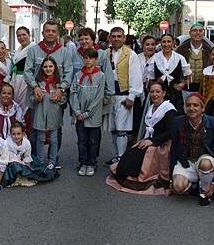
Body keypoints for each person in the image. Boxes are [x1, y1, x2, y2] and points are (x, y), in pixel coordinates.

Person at [108, 82, 176, 194]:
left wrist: (152, 141)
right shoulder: (151, 107)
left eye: (158, 92)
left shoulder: (169, 109)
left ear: (164, 93)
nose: (154, 94)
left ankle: (140, 178)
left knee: (144, 154)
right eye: (152, 92)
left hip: (162, 144)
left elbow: (171, 131)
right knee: (132, 153)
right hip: (150, 140)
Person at [23, 21, 73, 161]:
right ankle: (35, 158)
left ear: (57, 34)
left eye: (53, 31)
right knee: (34, 129)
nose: (50, 33)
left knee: (55, 130)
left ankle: (53, 158)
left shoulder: (63, 52)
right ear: (43, 33)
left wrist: (61, 89)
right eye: (47, 30)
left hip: (56, 96)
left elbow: (69, 73)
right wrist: (35, 86)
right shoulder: (33, 50)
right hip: (37, 96)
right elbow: (27, 71)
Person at [170, 93, 214, 206]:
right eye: (189, 105)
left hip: (204, 160)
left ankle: (204, 191)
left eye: (195, 105)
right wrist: (171, 176)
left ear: (203, 108)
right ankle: (194, 184)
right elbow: (174, 149)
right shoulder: (178, 121)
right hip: (186, 160)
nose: (191, 108)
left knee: (205, 164)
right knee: (177, 188)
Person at [105, 27, 143, 166]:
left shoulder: (131, 54)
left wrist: (132, 96)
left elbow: (135, 75)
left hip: (124, 94)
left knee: (122, 127)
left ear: (124, 38)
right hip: (110, 95)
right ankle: (117, 155)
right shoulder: (105, 53)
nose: (116, 39)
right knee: (113, 128)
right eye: (113, 36)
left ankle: (122, 157)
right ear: (109, 37)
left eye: (119, 36)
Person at [71, 48, 112, 176]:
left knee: (93, 141)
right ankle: (83, 162)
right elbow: (73, 93)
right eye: (85, 58)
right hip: (80, 115)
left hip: (93, 116)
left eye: (90, 58)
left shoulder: (100, 76)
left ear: (96, 60)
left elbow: (99, 97)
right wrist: (77, 112)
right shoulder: (78, 75)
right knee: (82, 140)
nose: (87, 60)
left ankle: (91, 162)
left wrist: (87, 113)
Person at [30, 57, 67, 170]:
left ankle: (52, 161)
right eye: (45, 66)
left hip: (54, 113)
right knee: (40, 138)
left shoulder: (59, 83)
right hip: (40, 113)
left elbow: (65, 98)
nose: (48, 69)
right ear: (42, 68)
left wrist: (58, 99)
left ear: (55, 67)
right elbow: (31, 98)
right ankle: (40, 160)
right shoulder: (38, 83)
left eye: (50, 66)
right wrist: (36, 99)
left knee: (54, 138)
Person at [146, 33, 190, 114]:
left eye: (169, 42)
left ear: (173, 43)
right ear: (160, 43)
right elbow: (150, 80)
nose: (166, 44)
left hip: (176, 96)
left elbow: (189, 76)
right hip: (158, 97)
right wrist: (156, 84)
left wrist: (183, 84)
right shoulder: (155, 59)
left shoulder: (180, 58)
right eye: (164, 42)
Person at [1, 121, 54, 187]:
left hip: (21, 160)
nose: (16, 136)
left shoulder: (27, 143)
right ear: (10, 134)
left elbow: (27, 156)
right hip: (10, 163)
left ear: (23, 133)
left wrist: (28, 168)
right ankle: (17, 177)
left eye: (18, 134)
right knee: (15, 166)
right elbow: (9, 159)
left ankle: (26, 176)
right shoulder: (7, 143)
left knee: (35, 166)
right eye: (13, 134)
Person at [176, 23, 212, 92]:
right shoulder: (181, 49)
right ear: (190, 33)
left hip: (203, 89)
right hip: (184, 89)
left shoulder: (209, 50)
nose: (198, 33)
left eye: (200, 31)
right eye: (195, 30)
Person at [10, 26, 32, 124]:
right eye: (19, 35)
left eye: (24, 35)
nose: (21, 37)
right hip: (16, 80)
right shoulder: (18, 50)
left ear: (29, 35)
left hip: (25, 81)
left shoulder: (33, 49)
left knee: (24, 106)